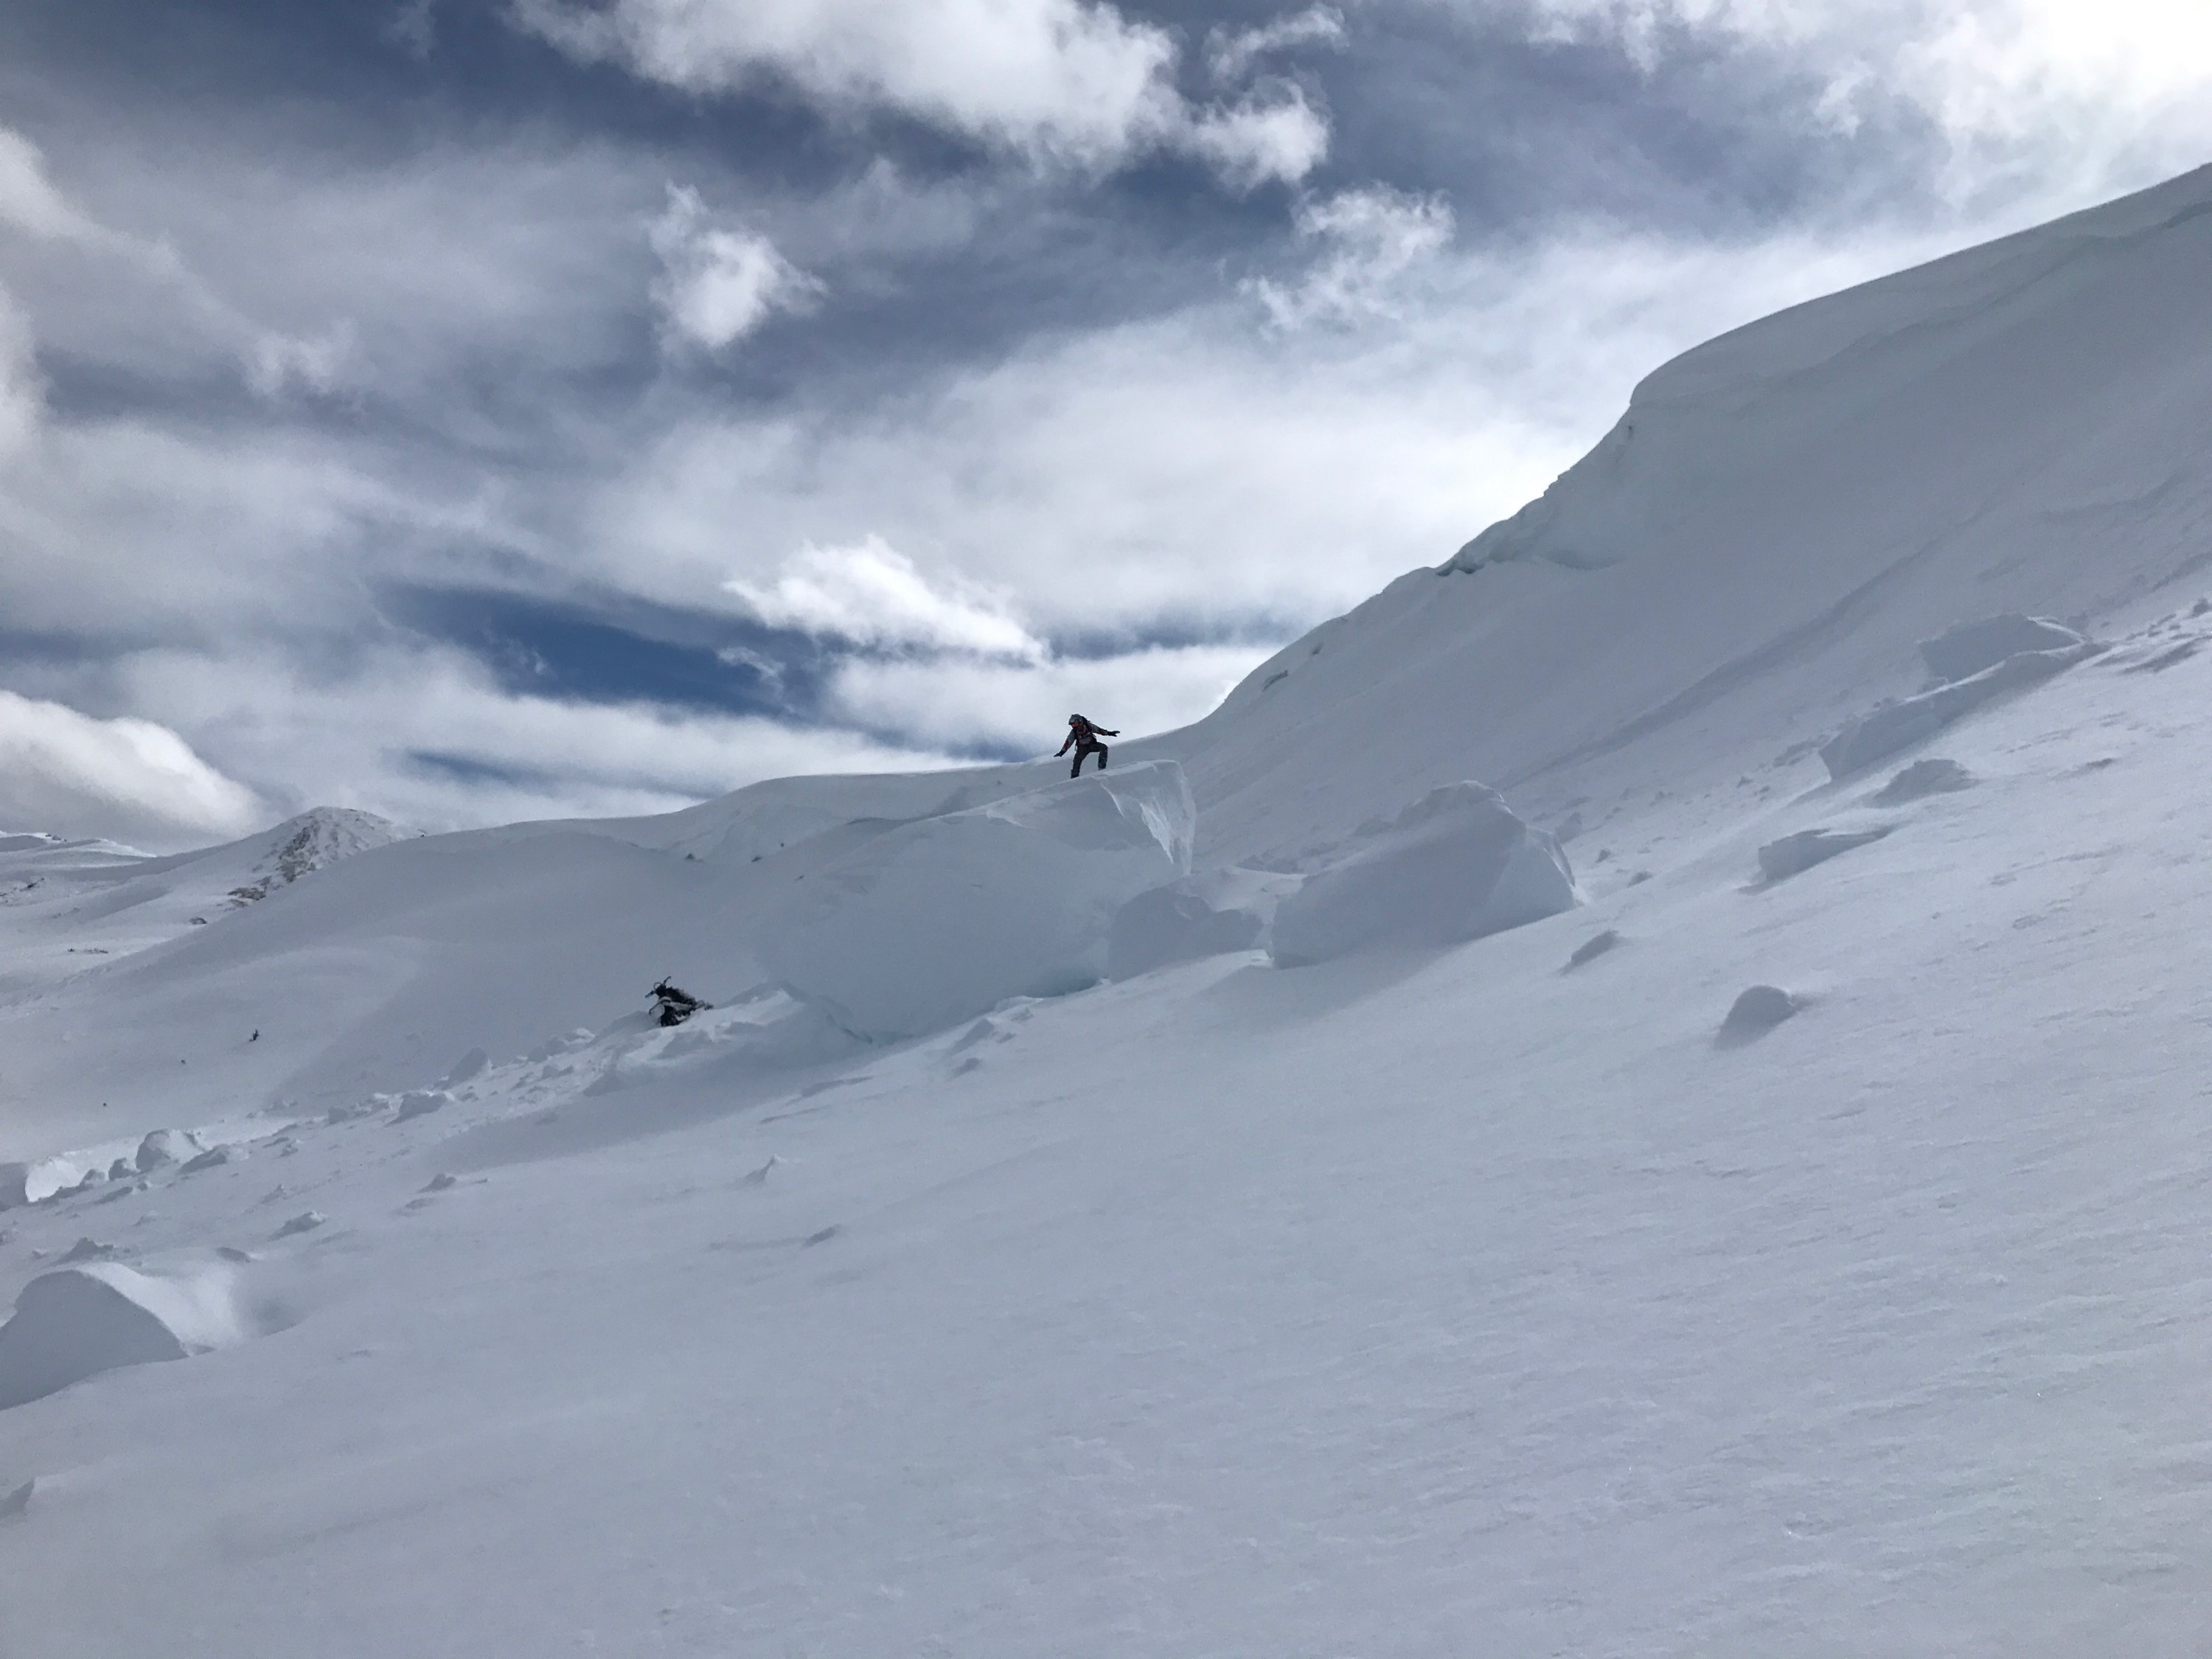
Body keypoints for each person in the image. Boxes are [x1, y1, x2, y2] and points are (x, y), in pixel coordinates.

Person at [1056, 713, 1117, 778]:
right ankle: (1074, 777)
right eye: (1073, 725)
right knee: (1077, 761)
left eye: (1075, 724)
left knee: (1104, 747)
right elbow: (1068, 742)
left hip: (1092, 745)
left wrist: (1109, 733)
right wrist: (1062, 751)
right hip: (1082, 748)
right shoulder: (1074, 732)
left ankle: (1101, 768)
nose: (1074, 726)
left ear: (1080, 722)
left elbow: (1099, 730)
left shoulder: (1088, 726)